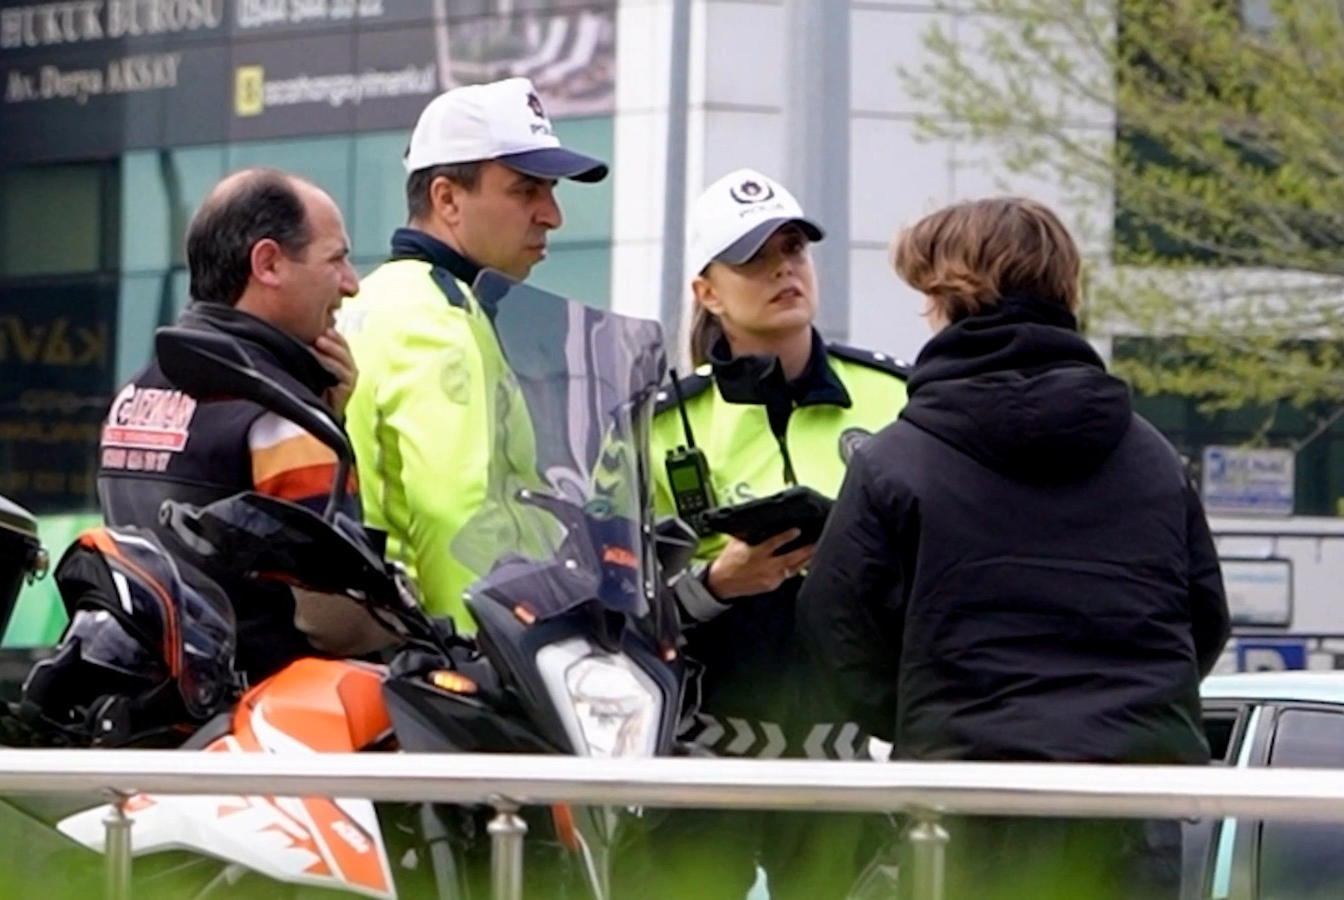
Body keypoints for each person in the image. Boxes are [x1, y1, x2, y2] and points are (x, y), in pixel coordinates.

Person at [796, 196, 1232, 900]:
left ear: (946, 299)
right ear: (1066, 290)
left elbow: (833, 624)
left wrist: (927, 716)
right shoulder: (1152, 458)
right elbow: (1204, 619)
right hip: (1126, 810)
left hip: (968, 806)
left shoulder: (898, 460)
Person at [634, 168, 911, 899]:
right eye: (755, 257)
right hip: (701, 759)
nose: (784, 269)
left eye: (794, 249)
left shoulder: (896, 398)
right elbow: (616, 604)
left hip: (851, 757)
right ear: (708, 292)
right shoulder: (659, 423)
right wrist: (714, 585)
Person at [98, 167, 394, 686]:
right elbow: (337, 621)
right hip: (261, 733)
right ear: (269, 263)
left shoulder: (135, 394)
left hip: (152, 715)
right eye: (337, 258)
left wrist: (330, 410)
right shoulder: (286, 423)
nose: (351, 284)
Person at [337, 75, 608, 631]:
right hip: (433, 652)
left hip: (375, 633)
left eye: (550, 191)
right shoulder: (439, 318)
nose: (552, 214)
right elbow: (457, 516)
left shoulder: (376, 296)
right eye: (525, 190)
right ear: (447, 198)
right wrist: (493, 657)